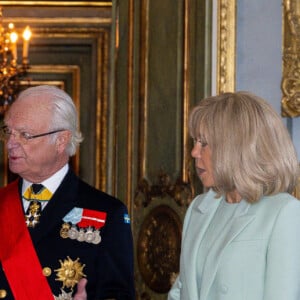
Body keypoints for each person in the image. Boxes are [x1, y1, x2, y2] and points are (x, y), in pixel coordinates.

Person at [0, 85, 135, 299]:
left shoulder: (107, 214)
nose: (10, 144)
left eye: (25, 134)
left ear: (61, 140)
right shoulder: (2, 203)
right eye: (8, 132)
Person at [168, 91, 300, 300]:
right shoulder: (199, 207)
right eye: (195, 141)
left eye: (204, 143)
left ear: (234, 147)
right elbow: (180, 291)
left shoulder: (283, 213)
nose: (194, 152)